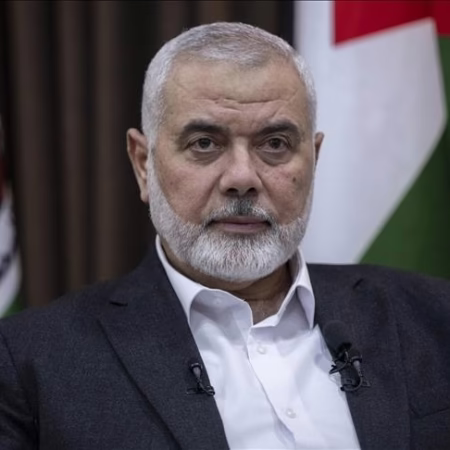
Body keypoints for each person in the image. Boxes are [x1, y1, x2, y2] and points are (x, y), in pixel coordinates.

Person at [1, 22, 449, 450]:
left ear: (313, 160)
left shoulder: (434, 318)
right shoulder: (31, 363)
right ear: (143, 164)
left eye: (275, 143)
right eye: (204, 143)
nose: (242, 178)